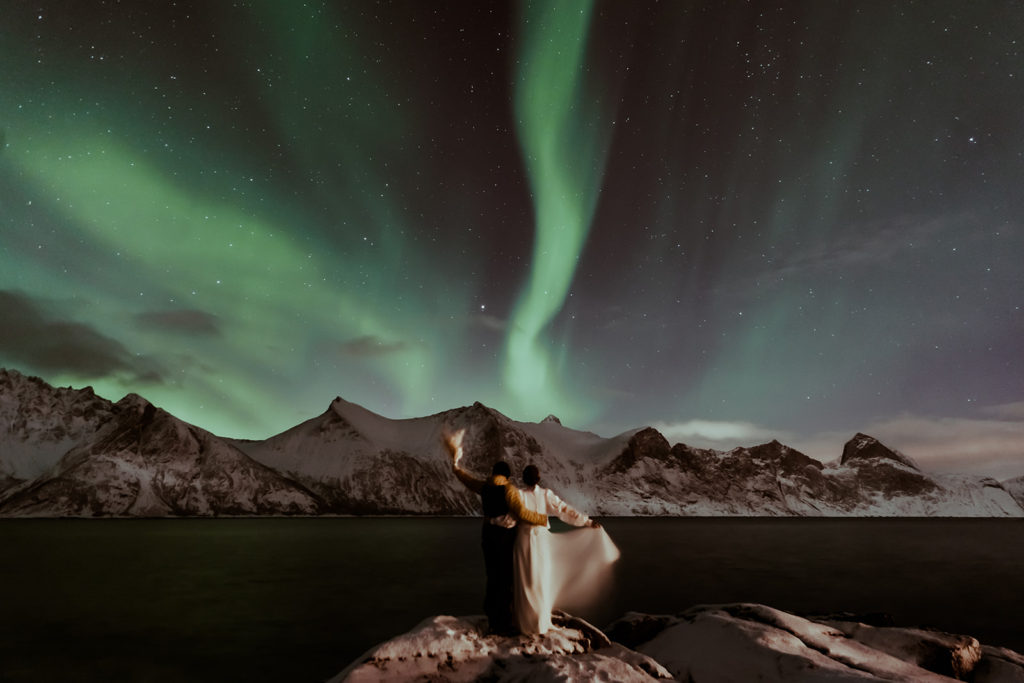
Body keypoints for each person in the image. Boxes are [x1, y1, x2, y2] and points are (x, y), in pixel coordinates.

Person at [444, 428, 548, 636]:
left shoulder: (485, 486)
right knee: (505, 579)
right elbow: (521, 512)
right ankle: (504, 624)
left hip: (487, 536)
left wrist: (456, 467)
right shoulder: (509, 490)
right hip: (505, 538)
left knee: (492, 577)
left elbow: (466, 478)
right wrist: (542, 519)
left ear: (494, 473)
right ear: (507, 475)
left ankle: (492, 618)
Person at [513, 464, 610, 635]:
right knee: (540, 579)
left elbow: (563, 511)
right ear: (538, 478)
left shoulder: (520, 495)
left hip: (525, 539)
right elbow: (564, 511)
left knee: (527, 580)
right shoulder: (543, 495)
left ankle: (528, 624)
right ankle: (539, 624)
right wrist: (586, 521)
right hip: (537, 539)